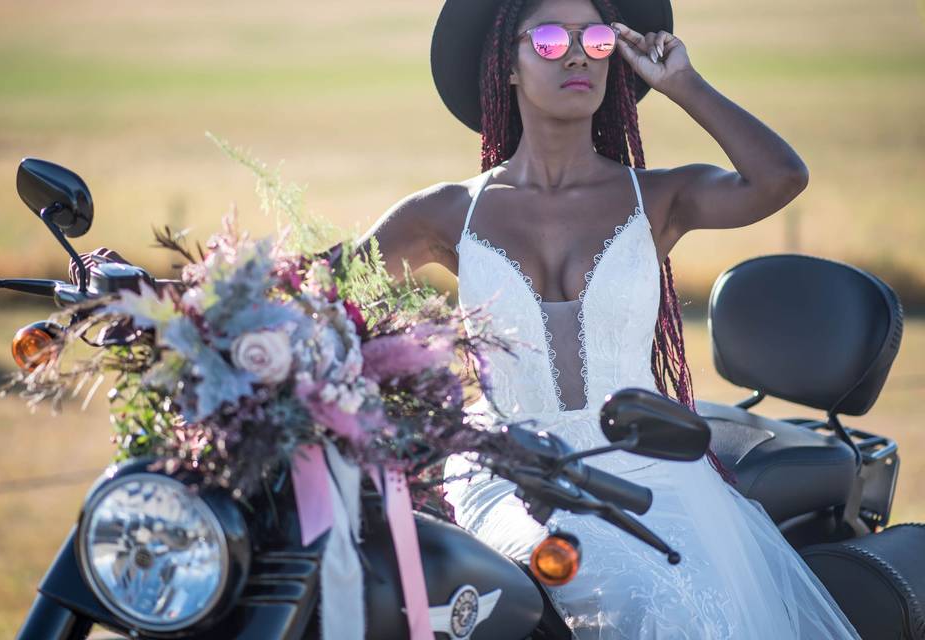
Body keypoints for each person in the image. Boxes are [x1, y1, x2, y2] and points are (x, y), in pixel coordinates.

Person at [73, 0, 860, 636]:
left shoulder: (657, 197)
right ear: (506, 65)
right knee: (523, 595)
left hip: (653, 472)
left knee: (655, 608)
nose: (577, 53)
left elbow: (780, 177)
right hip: (510, 470)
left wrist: (684, 82)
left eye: (593, 36)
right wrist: (168, 301)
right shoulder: (446, 213)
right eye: (548, 37)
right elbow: (308, 291)